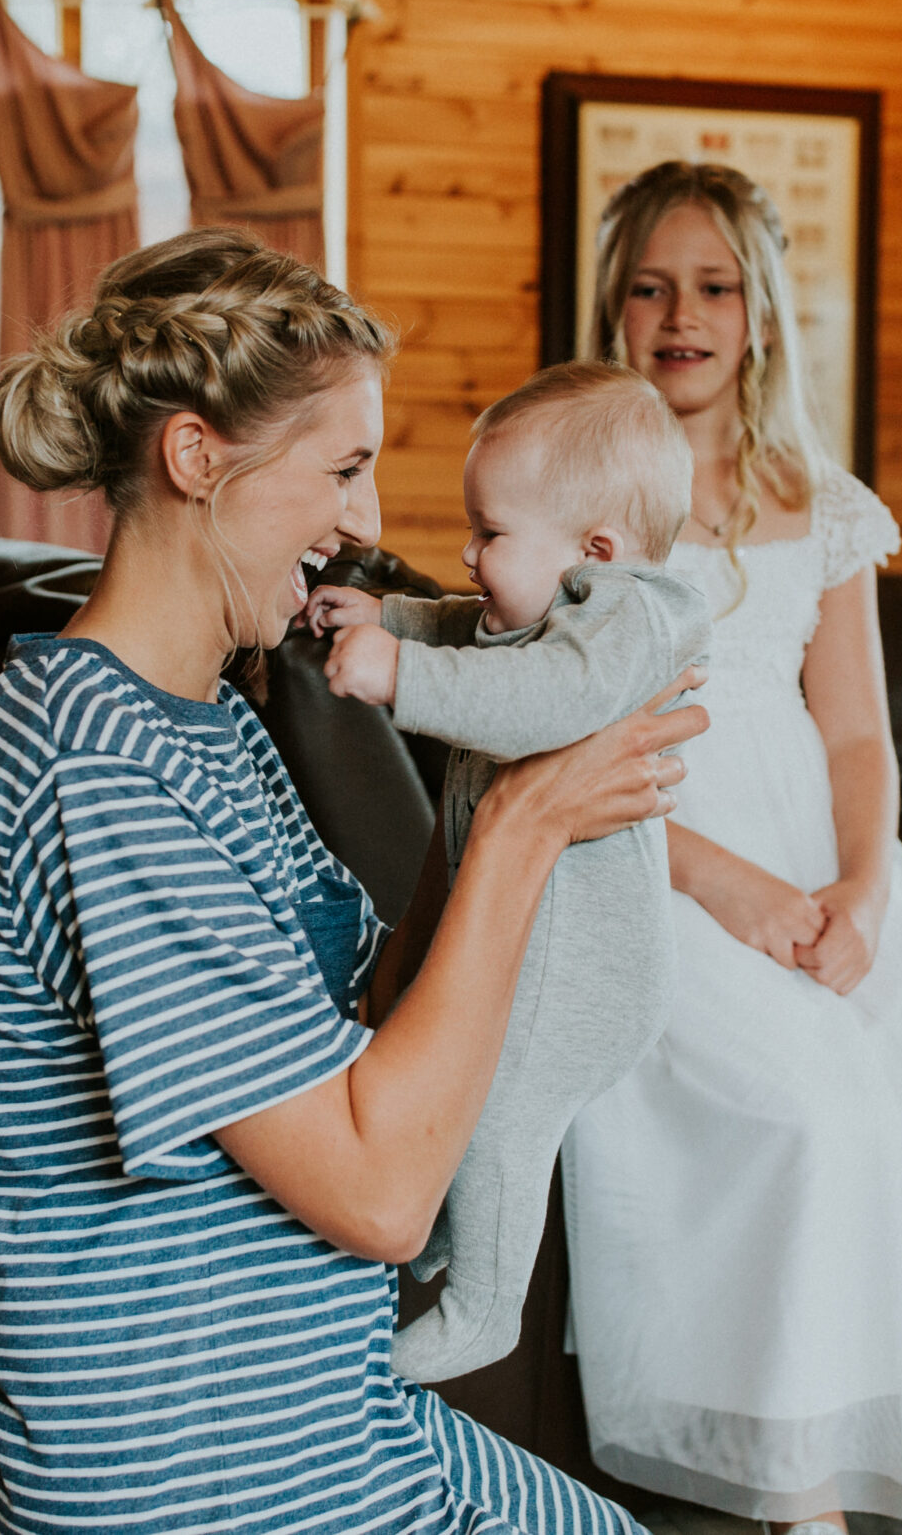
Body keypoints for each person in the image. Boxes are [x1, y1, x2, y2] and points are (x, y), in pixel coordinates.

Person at [0, 228, 706, 1534]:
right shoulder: (94, 770)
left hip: (328, 1422)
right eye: (343, 468)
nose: (369, 526)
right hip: (202, 1485)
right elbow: (384, 1193)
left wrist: (502, 760)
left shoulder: (210, 725)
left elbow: (381, 1024)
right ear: (195, 456)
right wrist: (519, 828)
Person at [558, 163, 902, 1535]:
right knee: (815, 1120)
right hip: (659, 858)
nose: (679, 313)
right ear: (613, 306)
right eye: (649, 285)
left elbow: (858, 735)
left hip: (825, 862)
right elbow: (558, 735)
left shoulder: (824, 500)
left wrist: (863, 886)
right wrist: (727, 884)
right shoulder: (577, 493)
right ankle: (799, 1484)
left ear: (759, 315)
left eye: (712, 285)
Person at [305, 362, 711, 1385]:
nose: (466, 553)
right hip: (537, 948)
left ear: (595, 553)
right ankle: (449, 1232)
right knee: (461, 1089)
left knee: (501, 1112)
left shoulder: (627, 621)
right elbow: (465, 623)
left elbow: (542, 699)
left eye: (488, 536)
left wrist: (399, 678)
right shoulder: (556, 601)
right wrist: (389, 618)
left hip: (579, 972)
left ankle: (485, 1310)